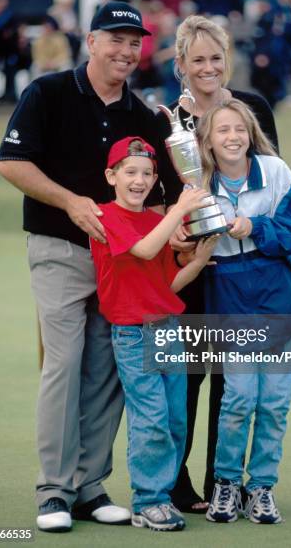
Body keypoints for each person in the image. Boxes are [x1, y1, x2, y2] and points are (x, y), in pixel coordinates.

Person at [0, 1, 161, 533]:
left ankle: (90, 486)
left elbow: (156, 191)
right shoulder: (47, 92)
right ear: (90, 42)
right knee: (64, 367)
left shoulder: (142, 115)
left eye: (134, 42)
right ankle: (53, 491)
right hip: (61, 250)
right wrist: (70, 200)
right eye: (115, 39)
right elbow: (12, 163)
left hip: (120, 263)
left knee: (105, 373)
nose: (126, 51)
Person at [154, 14, 279, 512]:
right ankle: (175, 483)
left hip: (241, 271)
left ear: (227, 60)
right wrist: (178, 227)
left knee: (234, 381)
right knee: (184, 378)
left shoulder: (253, 109)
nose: (208, 68)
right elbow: (157, 192)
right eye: (197, 59)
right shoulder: (163, 121)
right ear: (180, 64)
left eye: (216, 57)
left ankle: (221, 482)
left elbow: (269, 179)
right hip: (187, 268)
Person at [90, 136, 218, 531]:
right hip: (132, 335)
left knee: (176, 418)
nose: (139, 180)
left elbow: (168, 285)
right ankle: (149, 501)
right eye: (130, 172)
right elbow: (144, 251)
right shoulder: (105, 217)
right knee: (151, 419)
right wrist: (178, 208)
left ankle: (160, 495)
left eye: (147, 173)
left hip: (169, 330)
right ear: (112, 176)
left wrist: (198, 261)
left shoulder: (153, 221)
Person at [196, 99, 291, 524]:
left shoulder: (276, 171)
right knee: (240, 397)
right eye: (222, 130)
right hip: (230, 300)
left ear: (251, 132)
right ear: (207, 140)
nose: (232, 137)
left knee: (276, 401)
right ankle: (226, 484)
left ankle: (261, 487)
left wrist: (255, 227)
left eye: (239, 129)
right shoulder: (199, 184)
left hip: (278, 298)